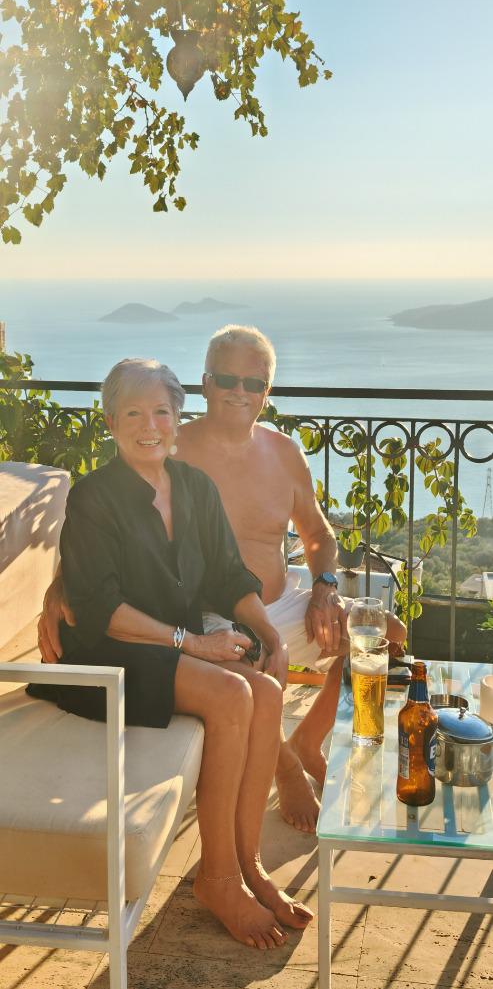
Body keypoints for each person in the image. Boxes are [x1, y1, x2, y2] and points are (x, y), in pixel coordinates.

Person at [39, 328, 406, 833]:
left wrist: (323, 589)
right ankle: (283, 765)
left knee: (384, 635)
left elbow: (319, 534)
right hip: (211, 612)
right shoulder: (169, 444)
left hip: (276, 599)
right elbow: (107, 525)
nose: (239, 392)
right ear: (206, 383)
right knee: (250, 670)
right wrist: (59, 587)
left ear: (266, 393)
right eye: (227, 379)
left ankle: (306, 741)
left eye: (253, 383)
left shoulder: (284, 453)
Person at [29, 357, 313, 950]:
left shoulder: (193, 487)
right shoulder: (94, 497)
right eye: (133, 413)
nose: (149, 426)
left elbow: (228, 575)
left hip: (166, 649)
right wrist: (196, 643)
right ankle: (218, 879)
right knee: (231, 692)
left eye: (161, 411)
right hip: (103, 658)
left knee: (265, 690)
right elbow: (101, 609)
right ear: (110, 422)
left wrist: (271, 634)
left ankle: (248, 863)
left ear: (178, 418)